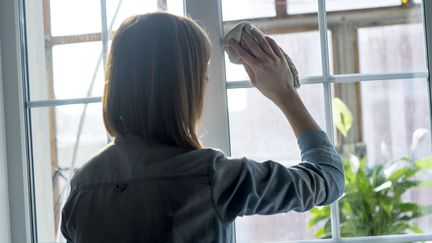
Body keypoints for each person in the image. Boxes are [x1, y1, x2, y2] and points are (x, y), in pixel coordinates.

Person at [61, 12, 344, 243]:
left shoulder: (83, 186)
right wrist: (285, 94)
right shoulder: (211, 176)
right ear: (182, 88)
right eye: (202, 73)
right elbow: (328, 180)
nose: (207, 83)